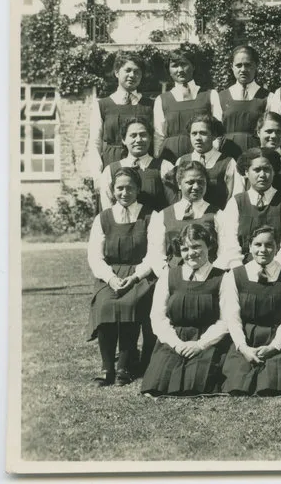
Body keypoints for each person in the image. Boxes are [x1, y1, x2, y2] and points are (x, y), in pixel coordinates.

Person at [140, 224, 229, 396]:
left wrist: (200, 345)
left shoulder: (223, 277)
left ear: (209, 246)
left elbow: (226, 320)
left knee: (196, 384)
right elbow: (158, 317)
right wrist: (176, 343)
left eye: (197, 246)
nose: (191, 253)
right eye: (185, 249)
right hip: (175, 339)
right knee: (157, 385)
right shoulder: (169, 275)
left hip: (209, 341)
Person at [87, 167, 156, 386]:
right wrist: (110, 278)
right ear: (112, 190)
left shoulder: (150, 215)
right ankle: (107, 367)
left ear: (138, 189)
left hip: (140, 275)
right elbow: (95, 257)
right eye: (120, 188)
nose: (125, 193)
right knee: (105, 305)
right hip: (110, 274)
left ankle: (124, 367)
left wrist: (135, 277)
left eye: (130, 188)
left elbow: (155, 254)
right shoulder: (103, 218)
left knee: (131, 303)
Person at [219, 226, 281, 395]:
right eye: (258, 244)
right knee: (237, 384)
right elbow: (232, 317)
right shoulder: (235, 275)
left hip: (277, 340)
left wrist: (275, 346)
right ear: (249, 246)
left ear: (276, 247)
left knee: (271, 385)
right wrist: (243, 347)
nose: (263, 250)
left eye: (269, 245)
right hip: (246, 338)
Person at [215, 148, 281, 271]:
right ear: (246, 172)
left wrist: (274, 270)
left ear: (274, 171)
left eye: (267, 169)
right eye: (257, 170)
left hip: (277, 270)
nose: (262, 175)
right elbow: (231, 245)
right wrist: (241, 272)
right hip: (242, 269)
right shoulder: (236, 203)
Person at [144, 160, 220, 274]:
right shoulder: (162, 216)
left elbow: (227, 252)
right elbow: (156, 256)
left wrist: (212, 274)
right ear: (179, 184)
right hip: (174, 276)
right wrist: (168, 276)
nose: (196, 187)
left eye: (201, 182)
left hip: (209, 276)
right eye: (190, 182)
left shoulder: (218, 214)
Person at [87, 50, 153, 178]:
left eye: (137, 71)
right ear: (117, 72)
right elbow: (95, 143)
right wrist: (97, 175)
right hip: (112, 165)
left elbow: (157, 139)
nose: (132, 75)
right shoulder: (102, 105)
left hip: (144, 166)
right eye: (127, 70)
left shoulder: (151, 105)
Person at [99, 116, 175, 214]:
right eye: (133, 135)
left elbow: (173, 206)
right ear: (124, 140)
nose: (138, 140)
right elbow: (108, 210)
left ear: (150, 138)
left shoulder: (165, 167)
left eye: (143, 135)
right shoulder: (110, 171)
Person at [154, 48, 213, 163]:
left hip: (202, 155)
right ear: (169, 70)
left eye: (184, 64)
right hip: (170, 156)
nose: (180, 70)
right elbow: (159, 135)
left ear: (193, 66)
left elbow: (217, 133)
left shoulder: (210, 95)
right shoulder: (161, 100)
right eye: (175, 66)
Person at [211, 45, 268, 159]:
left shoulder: (268, 97)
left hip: (256, 153)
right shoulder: (220, 97)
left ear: (256, 66)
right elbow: (215, 131)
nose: (243, 70)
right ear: (232, 67)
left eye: (248, 65)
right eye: (238, 65)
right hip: (227, 153)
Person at [174, 112, 240, 211]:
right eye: (194, 133)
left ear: (214, 136)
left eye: (203, 133)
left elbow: (236, 196)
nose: (198, 138)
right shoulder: (181, 161)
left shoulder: (228, 162)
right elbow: (177, 195)